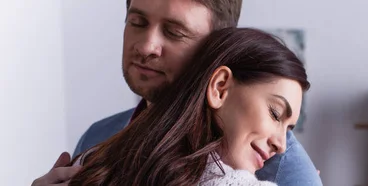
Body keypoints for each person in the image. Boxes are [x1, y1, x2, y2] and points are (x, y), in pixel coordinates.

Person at [31, 0, 321, 185]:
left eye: (174, 32)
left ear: (215, 50)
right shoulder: (99, 136)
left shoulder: (285, 171)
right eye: (138, 22)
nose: (146, 46)